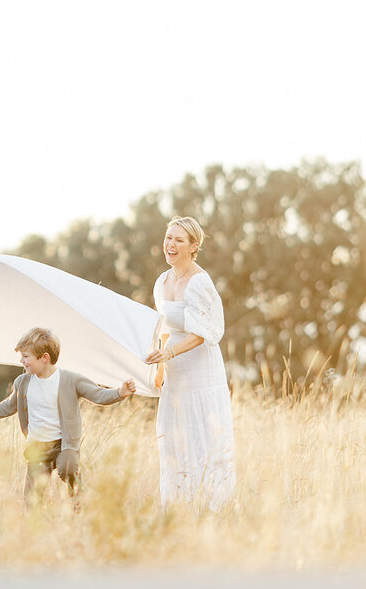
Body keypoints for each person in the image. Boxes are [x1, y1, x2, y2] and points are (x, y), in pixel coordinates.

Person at [0, 327, 135, 501]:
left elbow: (98, 394)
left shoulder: (70, 380)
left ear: (44, 357)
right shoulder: (23, 382)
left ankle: (78, 504)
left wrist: (120, 392)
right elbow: (9, 405)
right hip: (37, 447)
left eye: (26, 356)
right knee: (32, 497)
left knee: (68, 466)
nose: (21, 360)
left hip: (63, 445)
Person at [145, 215, 236, 510]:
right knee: (174, 437)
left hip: (200, 369)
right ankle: (177, 506)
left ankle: (210, 506)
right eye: (168, 238)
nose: (170, 245)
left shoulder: (199, 282)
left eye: (178, 240)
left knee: (202, 436)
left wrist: (170, 353)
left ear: (193, 246)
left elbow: (202, 334)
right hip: (175, 372)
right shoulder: (162, 281)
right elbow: (165, 328)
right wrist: (160, 368)